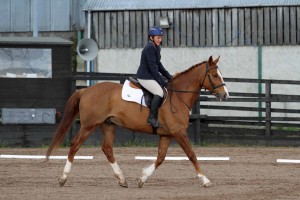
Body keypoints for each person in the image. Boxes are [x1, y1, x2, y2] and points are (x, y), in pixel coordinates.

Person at [136, 26, 173, 128]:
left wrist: (168, 76)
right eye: (158, 38)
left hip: (150, 76)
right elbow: (153, 69)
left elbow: (159, 65)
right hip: (144, 77)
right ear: (151, 37)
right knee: (159, 92)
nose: (160, 40)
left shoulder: (156, 47)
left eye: (161, 38)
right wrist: (163, 81)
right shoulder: (149, 49)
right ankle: (152, 118)